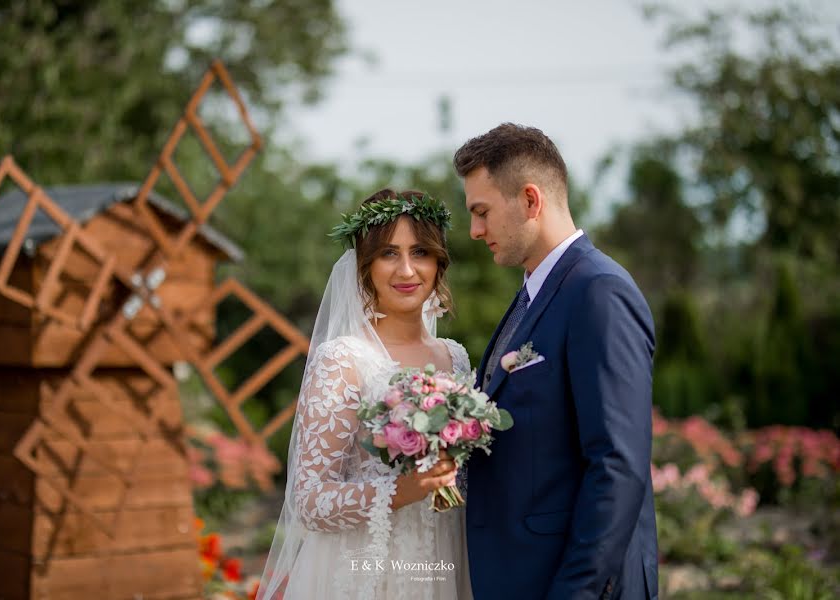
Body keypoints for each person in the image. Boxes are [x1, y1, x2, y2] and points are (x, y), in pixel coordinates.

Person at [454, 123, 658, 599]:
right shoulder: (535, 291)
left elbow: (617, 464)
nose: (474, 230)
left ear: (530, 200)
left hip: (572, 584)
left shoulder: (598, 291)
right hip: (521, 574)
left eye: (481, 212)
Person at [256, 189, 473, 600]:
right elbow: (310, 501)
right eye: (389, 253)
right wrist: (404, 490)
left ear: (438, 262)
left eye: (420, 252)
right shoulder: (343, 360)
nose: (407, 270)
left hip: (445, 560)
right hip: (363, 573)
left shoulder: (455, 358)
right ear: (365, 266)